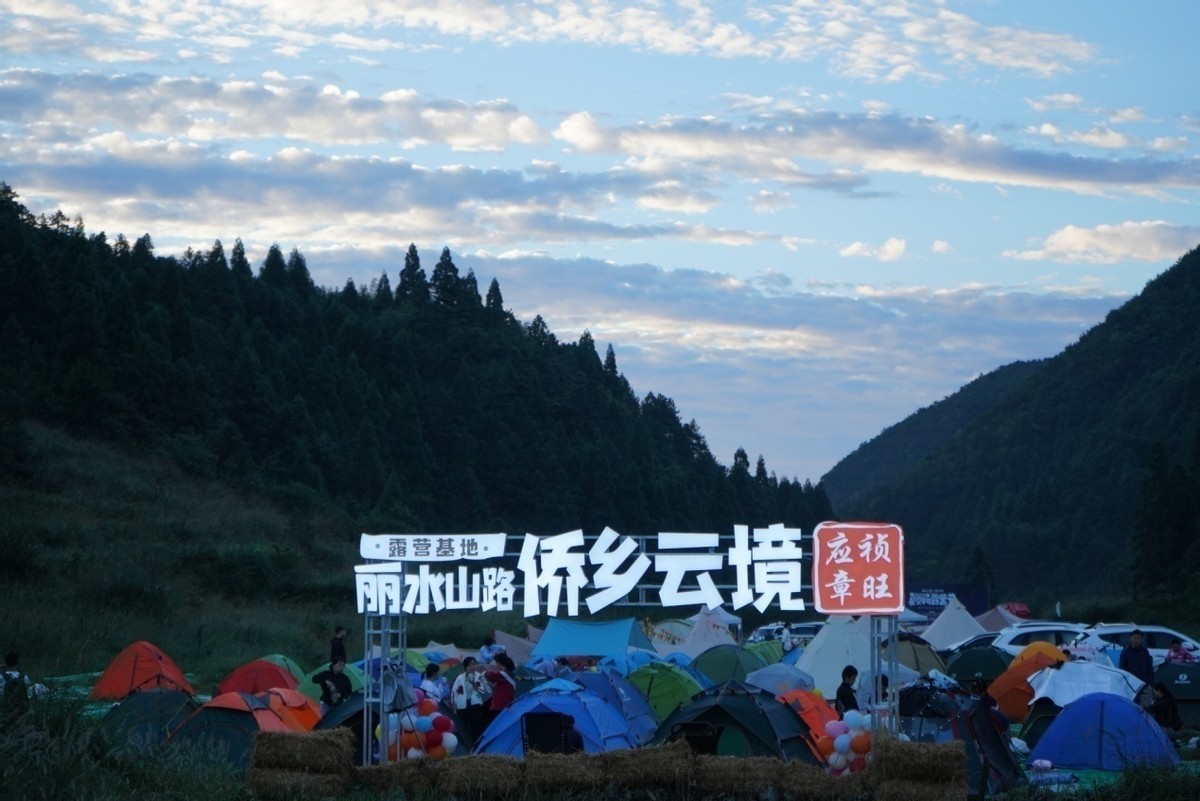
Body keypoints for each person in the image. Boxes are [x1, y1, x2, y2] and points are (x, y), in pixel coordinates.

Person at [451, 657, 490, 744]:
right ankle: (465, 742)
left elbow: (483, 691)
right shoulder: (460, 678)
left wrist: (473, 684)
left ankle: (476, 742)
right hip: (462, 705)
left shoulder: (479, 676)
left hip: (474, 704)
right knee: (463, 725)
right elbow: (454, 692)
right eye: (469, 665)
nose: (472, 667)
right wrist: (454, 707)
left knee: (476, 724)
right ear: (465, 667)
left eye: (473, 665)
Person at [1119, 630, 1155, 707]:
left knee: (1149, 708)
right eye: (1134, 638)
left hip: (1145, 684)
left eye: (1138, 638)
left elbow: (1149, 667)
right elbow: (1122, 669)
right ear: (1130, 638)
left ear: (1141, 639)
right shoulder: (1125, 652)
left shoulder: (1145, 651)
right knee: (1132, 707)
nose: (1136, 640)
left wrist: (1150, 682)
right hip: (1132, 685)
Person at [483, 653, 517, 730]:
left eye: (496, 663)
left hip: (500, 705)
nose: (495, 665)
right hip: (504, 705)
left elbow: (488, 674)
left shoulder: (504, 674)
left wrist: (484, 670)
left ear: (499, 663)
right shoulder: (509, 674)